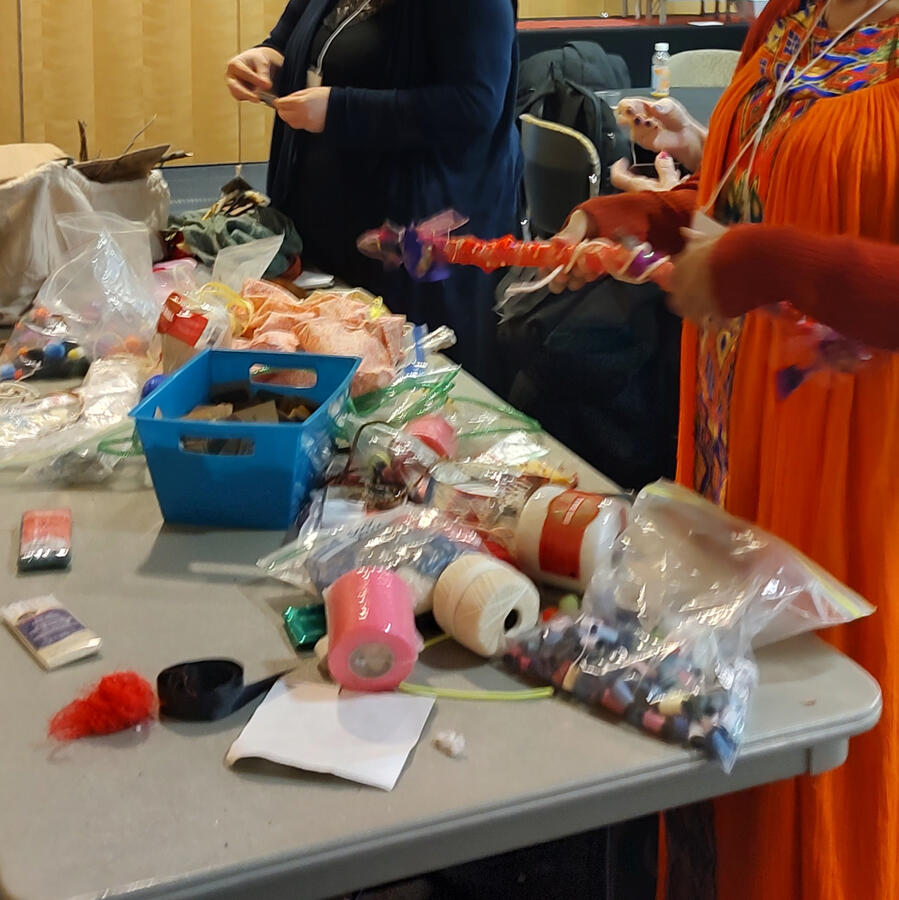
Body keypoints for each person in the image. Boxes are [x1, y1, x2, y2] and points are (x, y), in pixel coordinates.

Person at [548, 0, 899, 898]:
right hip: (735, 440)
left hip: (852, 461)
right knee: (726, 725)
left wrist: (762, 263)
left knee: (822, 736)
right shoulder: (796, 12)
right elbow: (756, 190)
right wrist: (645, 217)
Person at [225, 0, 522, 389]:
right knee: (329, 373)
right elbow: (292, 38)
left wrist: (341, 109)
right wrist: (264, 61)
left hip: (414, 233)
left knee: (408, 388)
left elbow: (475, 105)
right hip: (337, 214)